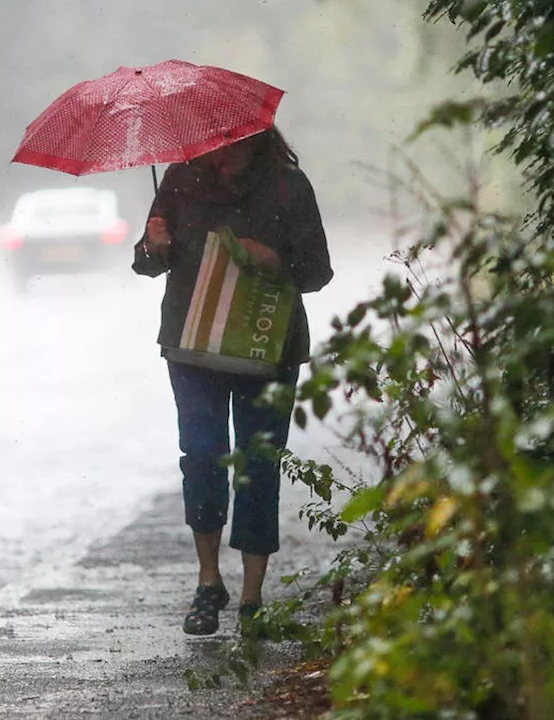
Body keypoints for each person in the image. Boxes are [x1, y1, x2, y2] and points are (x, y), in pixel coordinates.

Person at [132, 125, 333, 636]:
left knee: (257, 464)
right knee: (201, 457)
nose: (222, 153)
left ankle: (252, 597)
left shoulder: (288, 186)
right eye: (213, 144)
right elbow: (147, 261)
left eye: (232, 143)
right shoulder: (179, 178)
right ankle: (208, 583)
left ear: (254, 138)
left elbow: (317, 272)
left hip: (268, 350)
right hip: (192, 345)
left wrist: (272, 259)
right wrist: (154, 246)